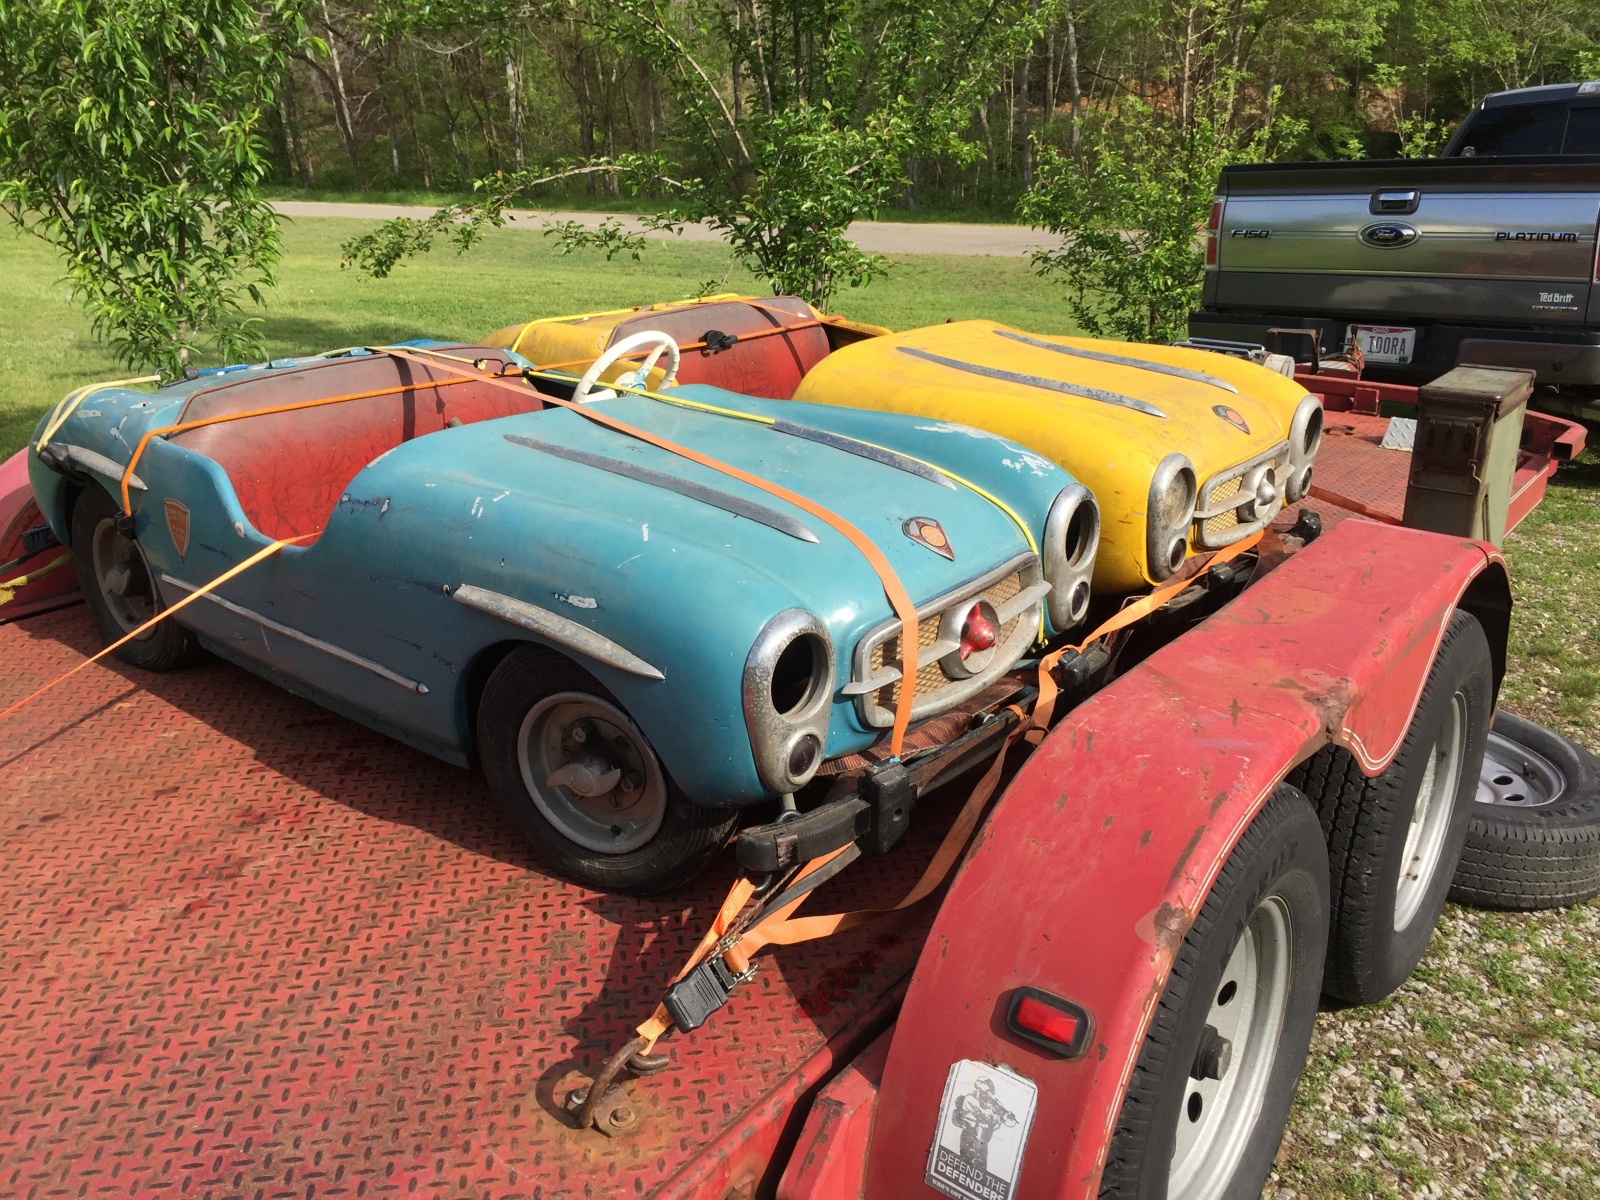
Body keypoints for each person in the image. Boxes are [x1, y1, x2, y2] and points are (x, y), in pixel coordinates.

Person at [950, 1076, 1018, 1169]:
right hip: (969, 1135)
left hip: (982, 1140)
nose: (988, 1094)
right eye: (986, 1090)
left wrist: (1002, 1118)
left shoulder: (990, 1105)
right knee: (965, 1165)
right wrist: (997, 1115)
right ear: (979, 1087)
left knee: (981, 1169)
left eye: (989, 1091)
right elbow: (984, 1117)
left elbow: (993, 1126)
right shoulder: (970, 1098)